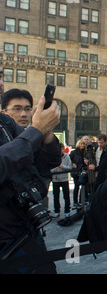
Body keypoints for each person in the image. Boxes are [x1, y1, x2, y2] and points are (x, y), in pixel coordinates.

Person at [0, 67, 62, 273]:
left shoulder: (5, 125)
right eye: (17, 108)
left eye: (1, 78)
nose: (2, 84)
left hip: (26, 229)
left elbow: (48, 159)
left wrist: (45, 132)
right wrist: (36, 131)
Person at [50, 143, 72, 224]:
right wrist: (53, 170)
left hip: (64, 179)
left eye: (61, 149)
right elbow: (49, 168)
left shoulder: (67, 157)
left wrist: (62, 167)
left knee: (66, 195)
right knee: (56, 195)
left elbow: (70, 167)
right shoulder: (53, 157)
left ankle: (67, 211)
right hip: (55, 179)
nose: (60, 151)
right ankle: (57, 211)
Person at [69, 139, 87, 208]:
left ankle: (80, 200)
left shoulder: (85, 153)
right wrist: (72, 164)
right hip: (76, 172)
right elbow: (69, 159)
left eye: (83, 144)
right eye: (81, 144)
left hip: (83, 171)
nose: (82, 145)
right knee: (76, 186)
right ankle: (75, 202)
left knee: (83, 187)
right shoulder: (74, 152)